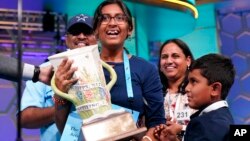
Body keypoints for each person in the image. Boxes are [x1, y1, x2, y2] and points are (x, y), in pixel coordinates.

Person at [54, 0, 166, 140]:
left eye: (120, 18)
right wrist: (59, 95)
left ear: (130, 29)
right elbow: (66, 128)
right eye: (105, 18)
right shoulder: (79, 67)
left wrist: (147, 139)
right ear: (95, 30)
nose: (112, 23)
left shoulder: (146, 69)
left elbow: (157, 122)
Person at [18, 13, 97, 141]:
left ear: (96, 38)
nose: (81, 37)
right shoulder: (46, 70)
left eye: (87, 32)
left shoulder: (108, 69)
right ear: (66, 39)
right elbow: (24, 118)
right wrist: (62, 108)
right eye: (75, 32)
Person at [154, 53, 235, 141]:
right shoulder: (222, 117)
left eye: (194, 81)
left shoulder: (206, 124)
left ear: (215, 89)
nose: (187, 88)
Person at [158, 39, 195, 140]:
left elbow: (208, 127)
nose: (169, 61)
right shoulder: (153, 94)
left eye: (175, 56)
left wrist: (181, 129)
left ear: (188, 61)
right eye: (164, 57)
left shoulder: (197, 92)